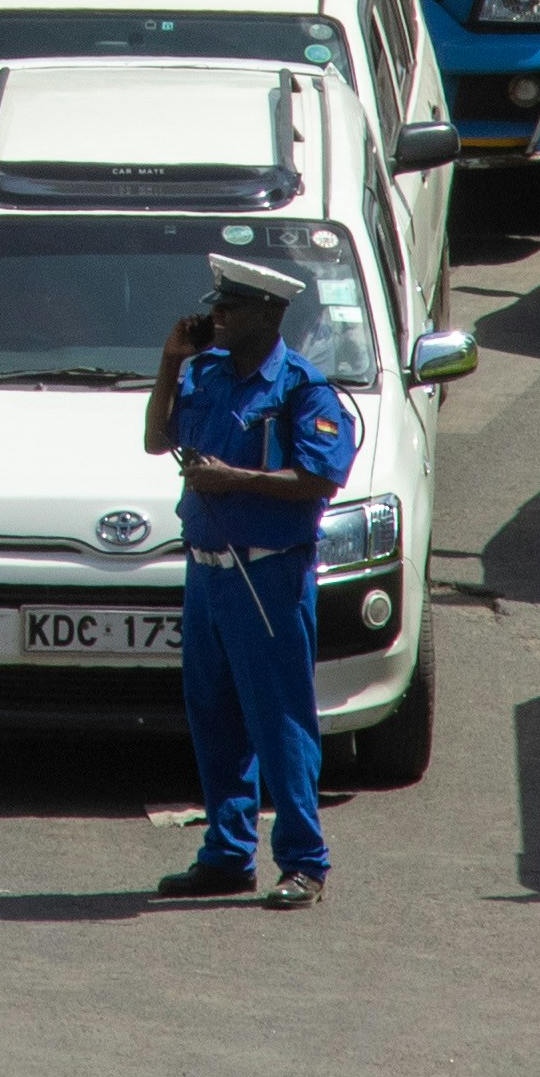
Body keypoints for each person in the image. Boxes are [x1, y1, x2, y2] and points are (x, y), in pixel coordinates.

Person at [143, 247, 357, 910]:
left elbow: (322, 476)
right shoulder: (205, 372)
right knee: (213, 717)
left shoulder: (301, 387)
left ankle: (303, 860)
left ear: (269, 313)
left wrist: (234, 480)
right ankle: (228, 854)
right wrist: (171, 361)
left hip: (266, 574)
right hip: (206, 573)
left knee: (279, 719)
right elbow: (157, 439)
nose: (219, 318)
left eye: (230, 309)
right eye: (217, 307)